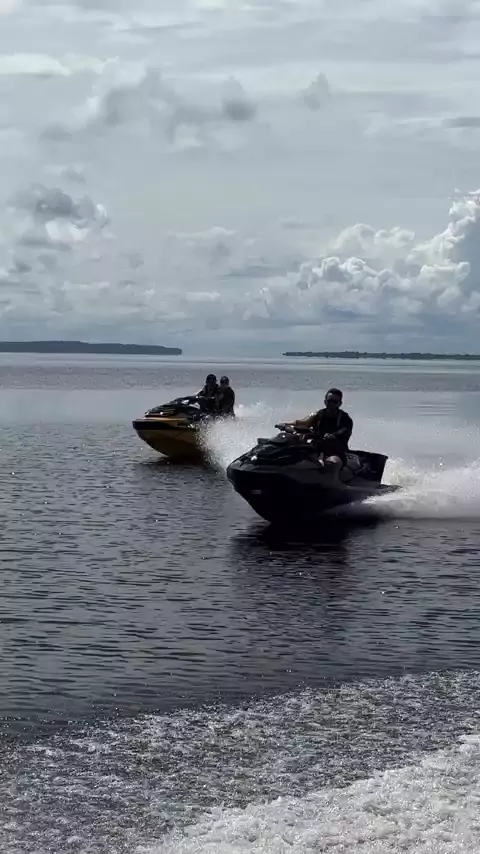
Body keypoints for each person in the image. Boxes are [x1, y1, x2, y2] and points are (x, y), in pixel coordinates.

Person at [282, 388, 353, 469]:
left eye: (335, 402)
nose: (332, 404)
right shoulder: (319, 414)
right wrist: (285, 424)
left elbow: (343, 431)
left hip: (335, 451)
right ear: (325, 401)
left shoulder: (345, 418)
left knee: (333, 463)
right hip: (316, 447)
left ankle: (333, 477)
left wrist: (333, 435)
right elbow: (303, 422)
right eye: (329, 401)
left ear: (340, 403)